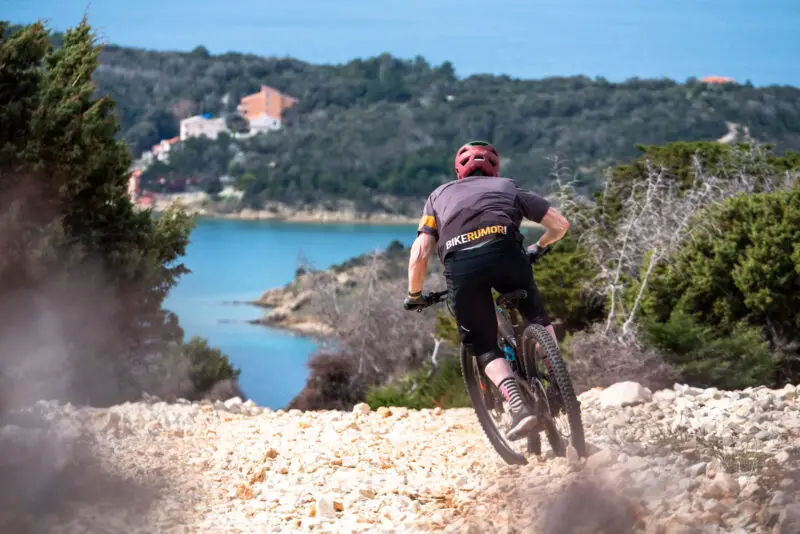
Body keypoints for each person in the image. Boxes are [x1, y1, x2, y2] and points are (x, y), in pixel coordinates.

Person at [403, 140, 570, 441]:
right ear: (495, 169)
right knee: (535, 316)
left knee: (483, 344)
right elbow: (560, 225)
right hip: (508, 254)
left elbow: (420, 252)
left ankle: (518, 405)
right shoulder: (508, 187)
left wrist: (415, 295)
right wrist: (538, 247)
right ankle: (559, 382)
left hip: (463, 266)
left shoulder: (438, 196)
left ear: (458, 171)